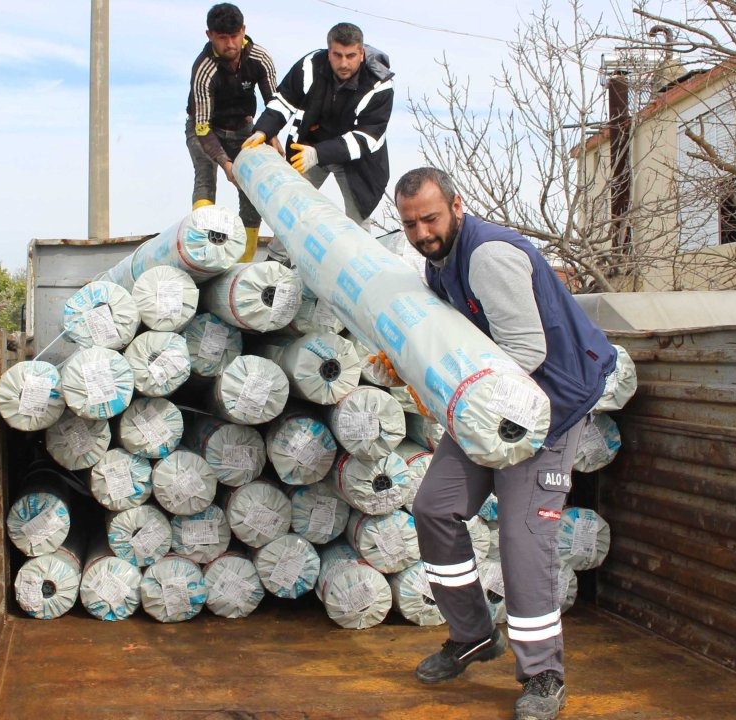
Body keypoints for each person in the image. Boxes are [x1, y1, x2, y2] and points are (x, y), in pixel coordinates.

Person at [387, 167, 616, 720]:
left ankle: (543, 676)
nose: (421, 232)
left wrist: (452, 389)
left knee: (522, 535)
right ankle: (472, 634)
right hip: (492, 406)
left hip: (547, 408)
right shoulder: (440, 260)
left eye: (431, 218)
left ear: (457, 206)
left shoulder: (487, 256)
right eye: (411, 223)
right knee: (435, 508)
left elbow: (525, 349)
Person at [241, 22, 393, 234]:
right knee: (293, 208)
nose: (343, 63)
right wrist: (263, 130)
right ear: (328, 52)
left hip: (357, 161)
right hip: (311, 145)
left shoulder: (380, 84)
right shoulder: (310, 65)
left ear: (361, 53)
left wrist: (318, 154)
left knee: (358, 218)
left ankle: (359, 265)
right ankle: (277, 258)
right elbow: (284, 100)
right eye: (337, 55)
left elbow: (366, 137)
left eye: (350, 56)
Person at [185, 3, 279, 262]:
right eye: (223, 38)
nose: (230, 44)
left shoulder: (260, 57)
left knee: (251, 192)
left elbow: (275, 104)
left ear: (243, 31)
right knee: (206, 178)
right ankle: (203, 255)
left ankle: (244, 264)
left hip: (244, 130)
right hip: (205, 129)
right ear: (210, 36)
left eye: (234, 36)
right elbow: (202, 127)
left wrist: (271, 134)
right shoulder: (204, 70)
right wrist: (226, 164)